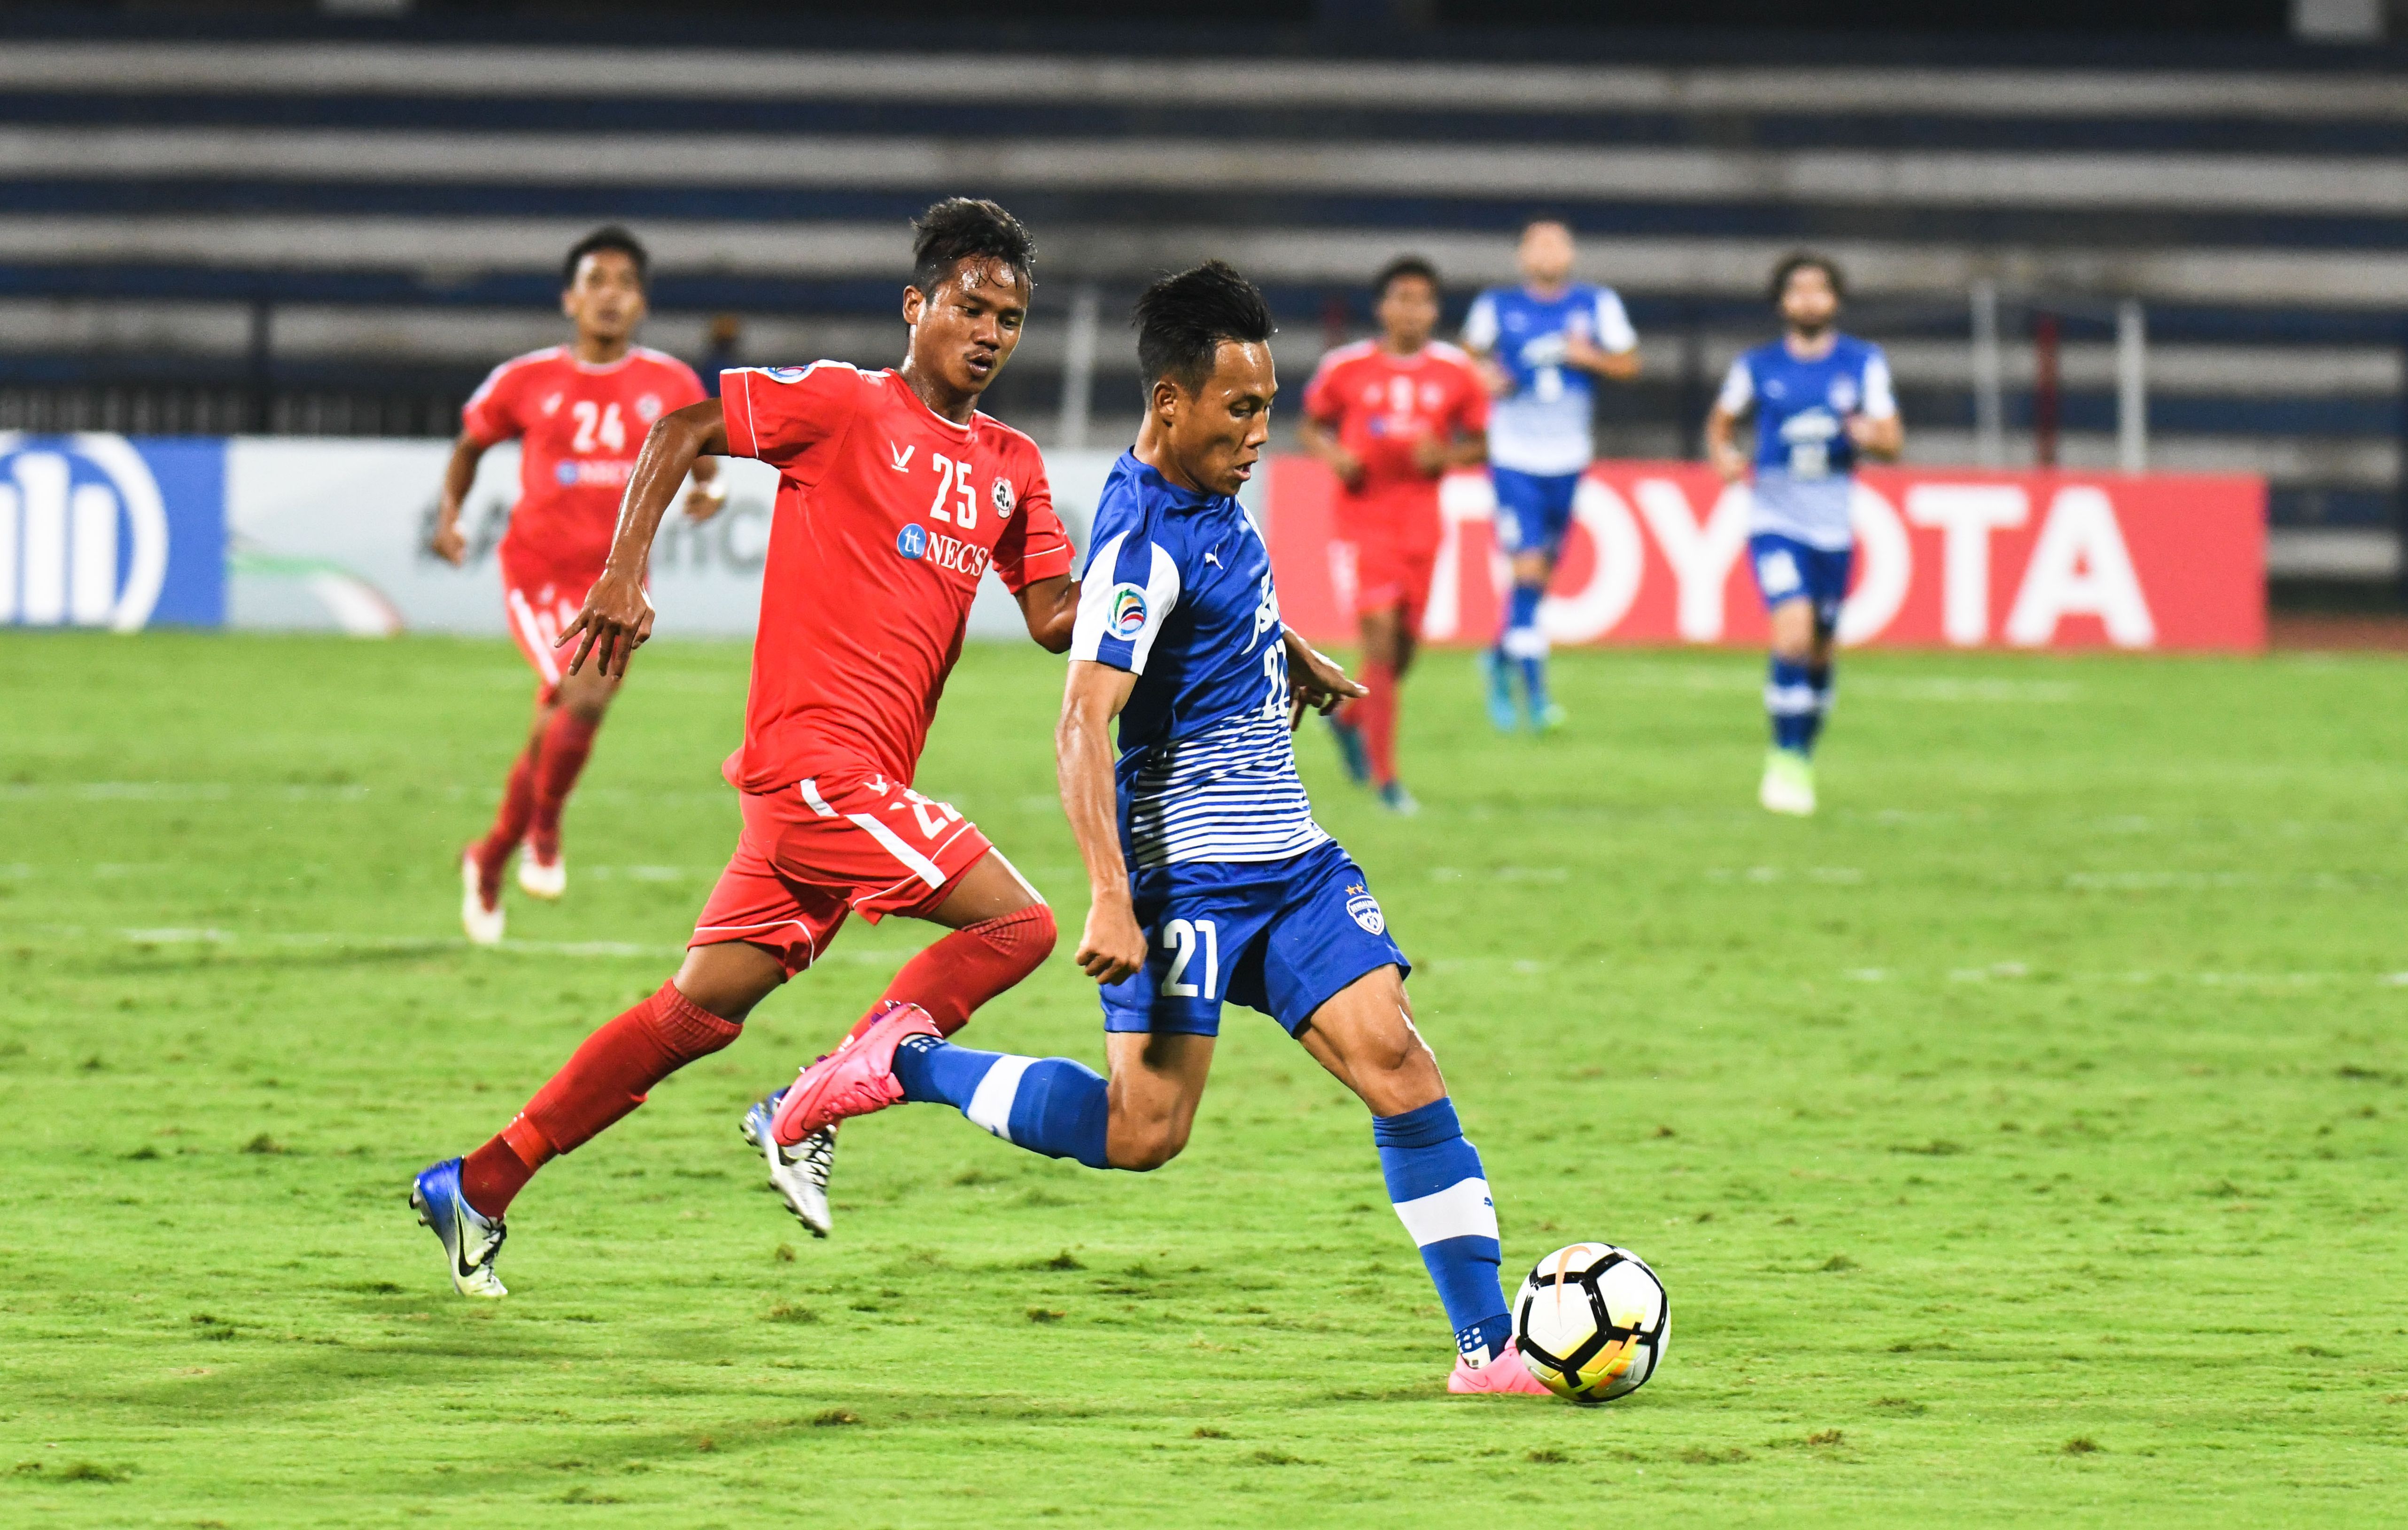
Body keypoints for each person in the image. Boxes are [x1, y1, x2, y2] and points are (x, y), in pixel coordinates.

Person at [762, 261, 1551, 1396]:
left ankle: (1487, 1351)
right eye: (1241, 408)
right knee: (1145, 1132)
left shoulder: (1215, 500)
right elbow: (1083, 722)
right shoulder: (1141, 549)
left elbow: (1218, 620)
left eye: (1270, 407)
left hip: (1291, 867)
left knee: (1401, 1064)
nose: (1260, 431)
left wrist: (1286, 653)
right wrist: (1110, 893)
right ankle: (907, 1062)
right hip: (1188, 883)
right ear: (1170, 401)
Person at [410, 198, 1080, 1295]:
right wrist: (623, 570)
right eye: (971, 306)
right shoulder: (841, 403)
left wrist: (1183, 597)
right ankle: (817, 1099)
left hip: (848, 788)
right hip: (816, 765)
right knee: (1020, 923)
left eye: (1010, 316)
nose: (992, 331)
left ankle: (480, 1181)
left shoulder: (1010, 463)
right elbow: (681, 428)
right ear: (916, 308)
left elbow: (1057, 617)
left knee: (696, 1015)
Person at [432, 226, 721, 946]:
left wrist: (708, 489)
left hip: (619, 583)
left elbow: (704, 449)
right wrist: (450, 515)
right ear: (571, 298)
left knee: (564, 712)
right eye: (596, 281)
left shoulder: (672, 383)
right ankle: (546, 830)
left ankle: (490, 855)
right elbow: (471, 443)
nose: (610, 295)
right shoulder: (526, 379)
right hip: (539, 576)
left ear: (642, 302)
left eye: (625, 283)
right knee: (583, 691)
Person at [1705, 252, 1903, 817]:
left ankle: (1802, 752)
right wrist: (1723, 453)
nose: (1808, 300)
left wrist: (1870, 435)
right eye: (1798, 290)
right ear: (1781, 302)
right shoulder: (1757, 366)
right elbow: (1722, 419)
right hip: (1775, 516)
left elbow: (1891, 438)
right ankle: (1783, 758)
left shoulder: (1862, 363)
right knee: (1790, 634)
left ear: (1834, 300)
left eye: (1819, 290)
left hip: (1832, 524)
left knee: (1818, 649)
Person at [1296, 256, 1488, 815]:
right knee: (1378, 637)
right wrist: (1335, 456)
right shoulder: (1346, 367)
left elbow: (1482, 439)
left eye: (1422, 300)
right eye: (1400, 298)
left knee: (1401, 651)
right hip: (1364, 523)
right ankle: (1387, 781)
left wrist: (1448, 455)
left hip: (1422, 526)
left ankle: (1351, 719)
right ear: (1382, 306)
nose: (1411, 310)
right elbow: (1309, 424)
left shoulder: (1455, 371)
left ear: (1434, 309)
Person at [1461, 218, 1639, 733]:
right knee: (1528, 571)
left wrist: (1593, 357)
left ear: (1570, 253)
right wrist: (1485, 378)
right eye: (1537, 244)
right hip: (1514, 454)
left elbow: (1629, 363)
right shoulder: (1496, 306)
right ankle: (1535, 698)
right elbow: (1465, 360)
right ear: (1522, 256)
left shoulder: (1595, 304)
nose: (1547, 252)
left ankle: (1497, 659)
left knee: (1539, 578)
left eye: (1556, 243)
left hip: (1568, 455)